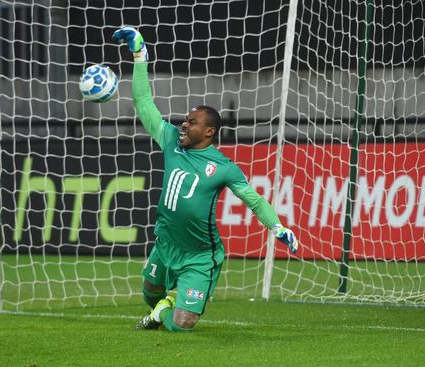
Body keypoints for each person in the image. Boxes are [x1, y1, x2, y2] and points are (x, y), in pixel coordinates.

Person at [112, 26, 299, 333]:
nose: (184, 124)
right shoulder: (170, 139)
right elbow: (144, 103)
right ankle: (158, 306)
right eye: (185, 120)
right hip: (166, 243)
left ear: (209, 132)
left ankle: (162, 315)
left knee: (183, 325)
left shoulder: (223, 167)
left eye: (192, 122)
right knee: (149, 292)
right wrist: (139, 56)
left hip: (200, 254)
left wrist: (277, 226)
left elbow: (253, 200)